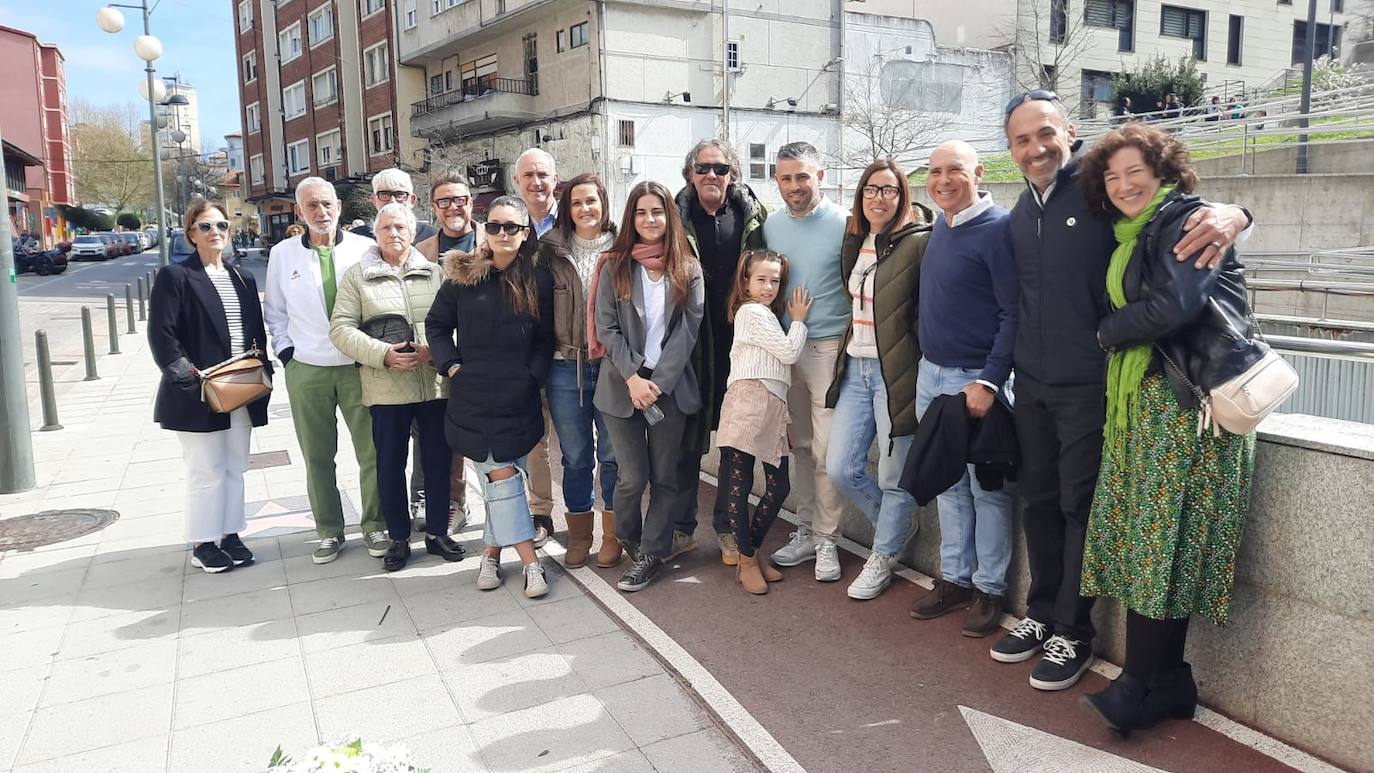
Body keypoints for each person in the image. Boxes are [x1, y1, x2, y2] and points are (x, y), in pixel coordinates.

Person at [998, 91, 1253, 692]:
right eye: (1021, 140)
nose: (1036, 149)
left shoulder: (1096, 192)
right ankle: (1040, 613)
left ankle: (1073, 630)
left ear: (1070, 132)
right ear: (1010, 149)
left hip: (1092, 384)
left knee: (1077, 505)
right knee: (1036, 501)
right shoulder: (1019, 209)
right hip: (1030, 383)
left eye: (1045, 134)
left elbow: (1174, 208)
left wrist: (1237, 212)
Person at [1074, 123, 1257, 736]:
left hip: (1185, 414)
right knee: (1158, 545)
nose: (1124, 184)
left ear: (1163, 173)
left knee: (1159, 547)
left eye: (1136, 172)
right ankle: (1170, 680)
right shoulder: (1134, 231)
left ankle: (1139, 683)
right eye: (1113, 174)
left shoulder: (1186, 221)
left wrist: (1106, 333)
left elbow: (1173, 308)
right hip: (1151, 407)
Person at [906, 141, 1019, 637]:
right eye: (934, 172)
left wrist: (989, 381)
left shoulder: (999, 230)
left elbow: (1013, 314)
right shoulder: (941, 228)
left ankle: (989, 589)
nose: (944, 180)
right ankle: (955, 579)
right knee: (951, 487)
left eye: (955, 170)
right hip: (931, 373)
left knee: (986, 489)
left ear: (979, 173)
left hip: (974, 380)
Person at [426, 196, 555, 598]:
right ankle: (532, 564)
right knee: (501, 476)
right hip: (472, 395)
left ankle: (491, 553)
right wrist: (452, 367)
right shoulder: (463, 277)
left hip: (519, 396)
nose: (503, 234)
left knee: (505, 481)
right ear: (486, 230)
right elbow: (436, 326)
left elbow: (545, 337)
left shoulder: (539, 279)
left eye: (511, 227)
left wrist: (532, 376)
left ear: (525, 232)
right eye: (495, 226)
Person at [328, 202, 464, 571]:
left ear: (413, 232)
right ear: (375, 234)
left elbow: (455, 325)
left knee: (438, 463)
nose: (394, 234)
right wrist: (383, 354)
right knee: (390, 465)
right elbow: (341, 328)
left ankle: (437, 532)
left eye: (401, 227)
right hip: (386, 388)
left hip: (433, 386)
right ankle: (399, 538)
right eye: (386, 227)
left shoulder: (435, 273)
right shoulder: (358, 277)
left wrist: (433, 354)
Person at [264, 177, 387, 564]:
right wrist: (287, 356)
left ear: (339, 207)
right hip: (309, 370)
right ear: (300, 211)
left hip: (359, 367)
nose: (321, 212)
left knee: (372, 453)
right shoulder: (282, 255)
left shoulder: (366, 249)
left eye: (326, 204)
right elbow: (275, 312)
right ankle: (329, 530)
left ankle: (374, 524)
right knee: (318, 455)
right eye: (311, 206)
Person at [824, 159, 930, 601]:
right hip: (855, 367)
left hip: (897, 372)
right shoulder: (855, 240)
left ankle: (882, 556)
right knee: (841, 468)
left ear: (902, 195)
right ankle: (899, 523)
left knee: (893, 471)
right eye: (870, 190)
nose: (878, 198)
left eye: (887, 190)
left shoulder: (920, 241)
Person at [593, 180, 705, 593]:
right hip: (621, 387)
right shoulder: (615, 266)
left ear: (668, 216)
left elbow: (686, 334)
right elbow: (606, 329)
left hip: (669, 390)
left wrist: (656, 384)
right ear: (631, 219)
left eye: (656, 211)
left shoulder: (688, 269)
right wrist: (634, 378)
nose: (649, 219)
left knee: (666, 478)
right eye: (641, 212)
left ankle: (651, 554)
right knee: (631, 477)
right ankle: (627, 536)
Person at [148, 201, 271, 573]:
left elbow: (255, 332)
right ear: (191, 233)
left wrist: (264, 371)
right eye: (205, 226)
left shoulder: (242, 277)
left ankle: (231, 533)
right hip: (200, 391)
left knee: (235, 466)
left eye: (220, 225)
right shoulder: (176, 277)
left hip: (241, 387)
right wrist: (187, 376)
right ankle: (203, 541)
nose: (214, 231)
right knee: (207, 469)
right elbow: (162, 336)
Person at [672, 138, 768, 566]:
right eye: (704, 168)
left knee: (736, 441)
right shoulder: (674, 216)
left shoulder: (752, 217)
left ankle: (729, 527)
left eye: (721, 168)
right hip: (690, 345)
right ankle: (681, 529)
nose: (713, 176)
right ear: (690, 173)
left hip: (739, 343)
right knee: (688, 442)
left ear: (734, 174)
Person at [762, 142, 851, 583]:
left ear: (820, 175)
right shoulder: (771, 225)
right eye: (785, 178)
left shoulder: (845, 224)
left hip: (829, 349)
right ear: (776, 181)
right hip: (785, 347)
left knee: (826, 450)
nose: (794, 186)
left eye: (802, 176)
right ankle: (804, 531)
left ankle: (828, 539)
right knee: (798, 446)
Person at [713, 250, 810, 594]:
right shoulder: (751, 311)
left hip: (773, 405)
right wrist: (799, 320)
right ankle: (749, 559)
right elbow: (788, 353)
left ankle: (747, 552)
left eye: (775, 280)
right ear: (745, 282)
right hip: (749, 399)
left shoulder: (766, 315)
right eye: (762, 279)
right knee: (739, 487)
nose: (769, 287)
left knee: (779, 486)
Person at [537, 173, 620, 569]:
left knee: (613, 453)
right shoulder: (550, 250)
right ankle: (579, 534)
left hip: (610, 365)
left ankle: (612, 535)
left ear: (604, 203)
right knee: (574, 456)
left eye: (592, 201)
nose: (586, 209)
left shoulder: (624, 247)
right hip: (563, 366)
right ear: (567, 209)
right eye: (577, 203)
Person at [405, 169, 477, 535]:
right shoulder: (421, 253)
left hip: (487, 358)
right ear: (433, 207)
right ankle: (454, 503)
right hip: (441, 359)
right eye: (444, 201)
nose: (453, 207)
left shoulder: (490, 241)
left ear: (471, 202)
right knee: (449, 437)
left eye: (460, 199)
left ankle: (517, 510)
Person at [513, 148, 560, 544]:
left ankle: (596, 516)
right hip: (530, 351)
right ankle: (541, 513)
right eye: (528, 175)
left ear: (554, 179)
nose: (535, 182)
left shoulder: (577, 219)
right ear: (517, 183)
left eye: (542, 174)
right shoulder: (508, 227)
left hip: (578, 350)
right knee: (535, 439)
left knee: (585, 445)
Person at [350, 168, 438, 243]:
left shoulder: (431, 237)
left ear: (412, 200)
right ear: (374, 200)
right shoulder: (357, 239)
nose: (392, 201)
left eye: (399, 195)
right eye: (384, 194)